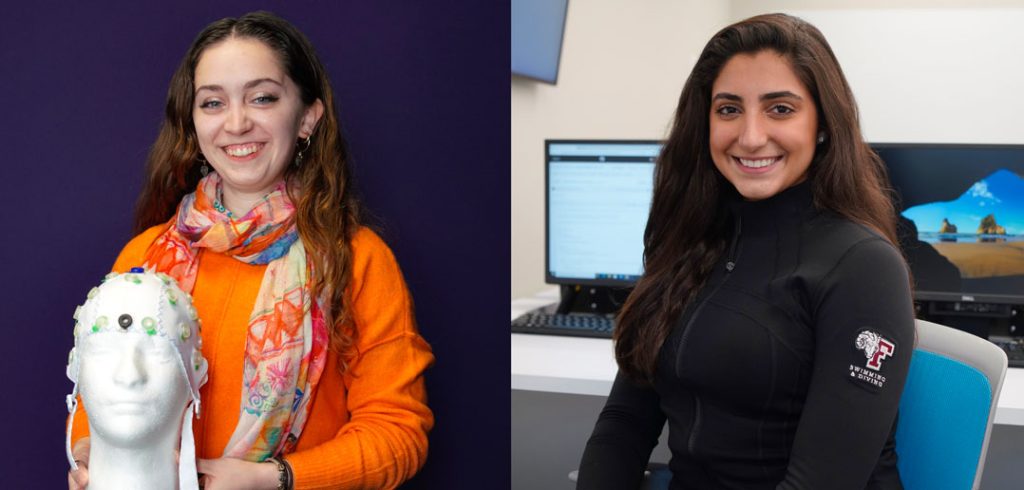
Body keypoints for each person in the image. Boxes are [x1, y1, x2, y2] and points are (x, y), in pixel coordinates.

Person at [67, 11, 434, 490]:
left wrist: (277, 478)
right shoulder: (145, 255)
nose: (237, 123)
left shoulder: (357, 258)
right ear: (193, 123)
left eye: (262, 98)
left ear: (307, 118)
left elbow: (398, 434)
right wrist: (92, 453)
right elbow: (98, 387)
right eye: (213, 102)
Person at [577, 14, 914, 490]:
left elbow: (822, 483)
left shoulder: (864, 265)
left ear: (822, 124)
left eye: (780, 109)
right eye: (729, 109)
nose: (751, 136)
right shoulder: (689, 242)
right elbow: (623, 425)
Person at [66, 271, 208, 490]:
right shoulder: (144, 249)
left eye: (157, 353)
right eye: (105, 351)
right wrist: (82, 443)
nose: (129, 375)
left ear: (196, 374)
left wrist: (270, 475)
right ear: (76, 370)